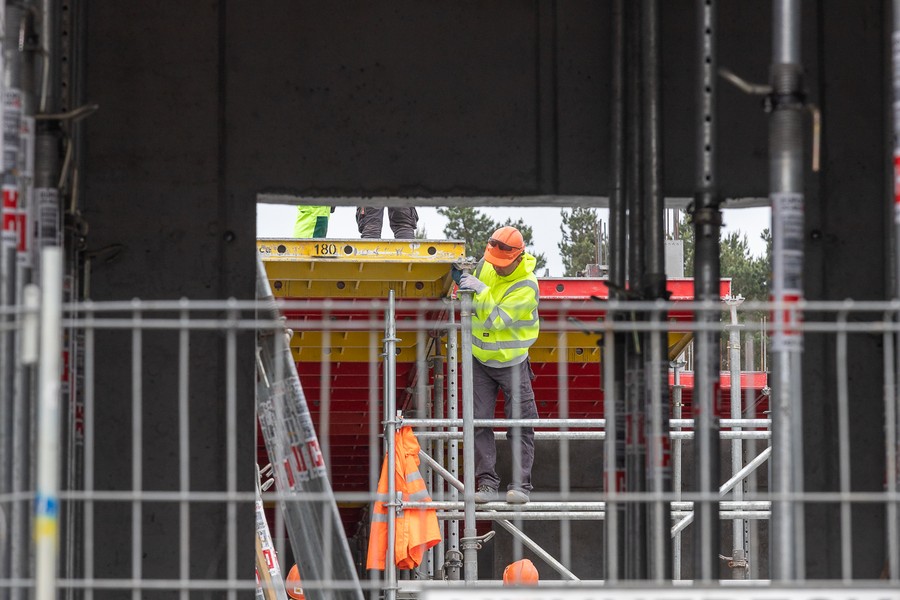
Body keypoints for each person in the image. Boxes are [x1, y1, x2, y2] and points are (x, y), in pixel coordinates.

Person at [453, 226, 540, 505]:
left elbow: (495, 320)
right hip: (480, 358)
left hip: (512, 362)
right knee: (478, 421)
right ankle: (487, 483)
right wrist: (463, 290)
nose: (497, 268)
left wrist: (479, 291)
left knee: (520, 424)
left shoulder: (527, 286)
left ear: (518, 257)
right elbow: (471, 303)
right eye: (494, 263)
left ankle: (521, 486)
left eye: (503, 264)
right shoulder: (486, 265)